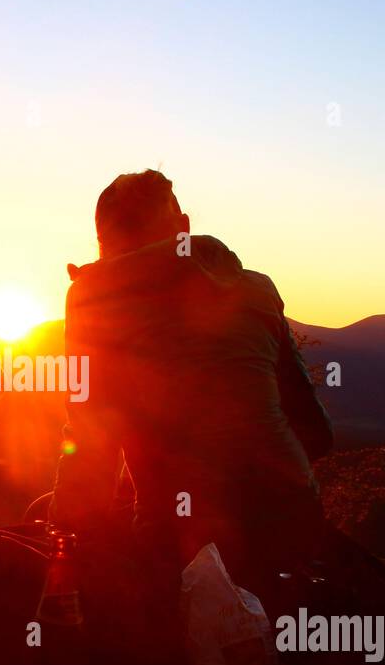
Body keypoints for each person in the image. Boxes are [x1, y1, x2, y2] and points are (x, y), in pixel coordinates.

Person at [51, 169, 334, 590]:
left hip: (179, 539)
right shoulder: (258, 288)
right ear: (182, 228)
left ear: (102, 243)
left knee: (72, 514)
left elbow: (92, 448)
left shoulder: (93, 298)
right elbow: (315, 430)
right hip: (293, 518)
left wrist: (61, 540)